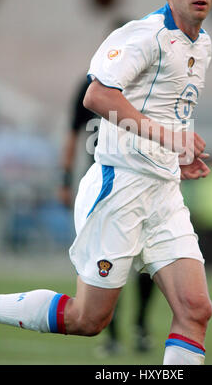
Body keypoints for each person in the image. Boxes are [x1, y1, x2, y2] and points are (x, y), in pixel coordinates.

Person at [0, 0, 212, 365]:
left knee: (195, 310)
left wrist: (176, 155)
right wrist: (168, 140)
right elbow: (96, 95)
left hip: (164, 192)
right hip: (121, 188)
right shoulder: (142, 35)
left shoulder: (201, 44)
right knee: (87, 318)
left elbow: (165, 112)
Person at [59, 76, 155, 353]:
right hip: (106, 181)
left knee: (148, 259)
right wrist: (64, 179)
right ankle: (112, 333)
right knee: (109, 260)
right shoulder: (91, 85)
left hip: (145, 182)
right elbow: (72, 132)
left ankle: (140, 326)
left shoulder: (150, 84)